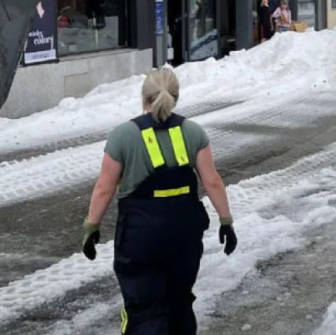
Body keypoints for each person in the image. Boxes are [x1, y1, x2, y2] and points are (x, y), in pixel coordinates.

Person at [81, 68, 237, 334]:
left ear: (144, 98)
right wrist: (226, 222)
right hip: (184, 234)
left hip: (140, 235)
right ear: (175, 97)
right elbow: (212, 181)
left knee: (145, 308)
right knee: (180, 302)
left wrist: (91, 228)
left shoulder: (123, 135)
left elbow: (103, 189)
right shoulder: (194, 132)